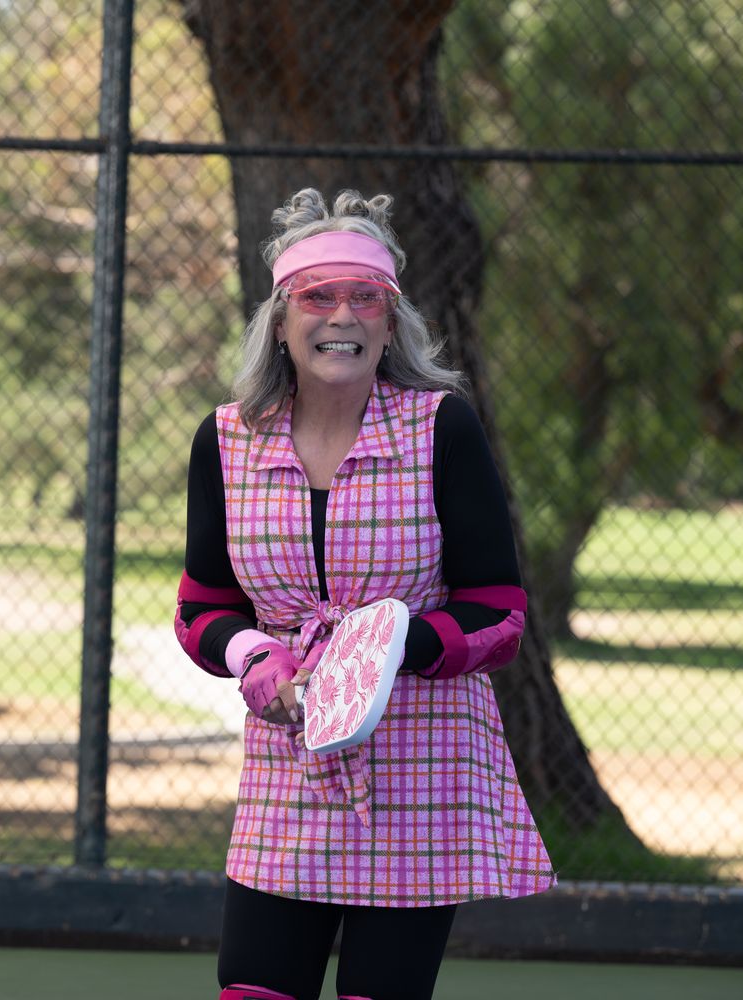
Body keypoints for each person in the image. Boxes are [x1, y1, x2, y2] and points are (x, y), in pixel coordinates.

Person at [175, 189, 555, 1000]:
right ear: (281, 321)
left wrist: (379, 652)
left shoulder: (440, 428)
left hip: (425, 768)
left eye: (365, 297)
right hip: (291, 766)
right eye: (319, 296)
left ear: (391, 324)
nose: (342, 314)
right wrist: (257, 659)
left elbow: (499, 611)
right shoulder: (227, 440)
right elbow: (201, 607)